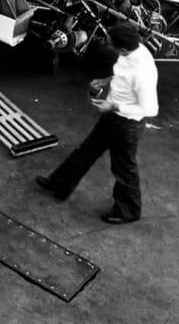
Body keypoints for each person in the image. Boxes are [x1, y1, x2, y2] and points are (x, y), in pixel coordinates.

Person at [36, 24, 158, 224]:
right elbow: (123, 74)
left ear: (124, 49)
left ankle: (129, 211)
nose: (106, 44)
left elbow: (149, 109)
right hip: (113, 116)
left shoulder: (142, 71)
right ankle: (59, 184)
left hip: (128, 125)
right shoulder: (134, 50)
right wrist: (105, 81)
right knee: (85, 151)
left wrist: (113, 105)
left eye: (110, 44)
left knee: (124, 169)